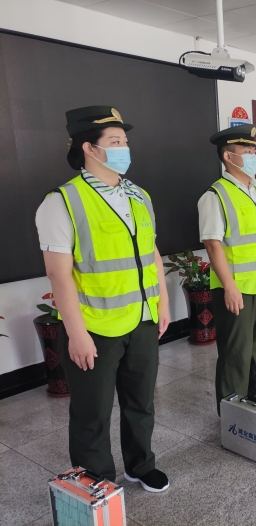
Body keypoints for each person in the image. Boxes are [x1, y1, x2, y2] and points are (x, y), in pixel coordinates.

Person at [36, 106, 170, 491]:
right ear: (89, 148)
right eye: (115, 141)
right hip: (94, 326)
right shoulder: (63, 201)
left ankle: (140, 465)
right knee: (91, 412)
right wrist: (76, 334)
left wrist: (162, 302)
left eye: (125, 141)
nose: (124, 148)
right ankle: (97, 481)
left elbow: (151, 253)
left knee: (141, 402)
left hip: (141, 319)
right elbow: (59, 274)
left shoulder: (139, 195)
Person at [199, 124, 256, 413]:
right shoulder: (215, 195)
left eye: (253, 151)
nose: (252, 156)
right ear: (228, 156)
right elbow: (213, 245)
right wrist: (229, 287)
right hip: (236, 288)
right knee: (237, 352)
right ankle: (233, 412)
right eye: (246, 151)